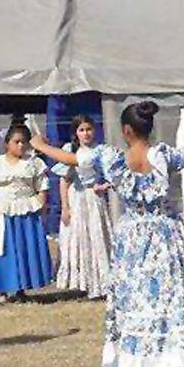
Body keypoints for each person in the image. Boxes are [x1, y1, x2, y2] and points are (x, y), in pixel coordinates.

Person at [29, 101, 184, 367]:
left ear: (125, 130)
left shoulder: (110, 158)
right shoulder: (163, 155)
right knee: (175, 299)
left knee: (138, 302)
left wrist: (39, 144)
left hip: (134, 240)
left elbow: (72, 158)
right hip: (167, 235)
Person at [0, 124, 53, 304]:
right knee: (3, 250)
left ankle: (21, 287)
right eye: (16, 142)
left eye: (24, 142)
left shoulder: (33, 163)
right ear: (7, 144)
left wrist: (42, 209)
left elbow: (42, 187)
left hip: (27, 213)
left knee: (24, 249)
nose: (21, 146)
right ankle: (2, 290)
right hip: (4, 213)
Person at [52, 114, 113, 300]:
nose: (86, 133)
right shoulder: (70, 151)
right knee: (78, 237)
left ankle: (100, 282)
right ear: (76, 133)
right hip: (77, 198)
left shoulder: (101, 150)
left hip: (94, 199)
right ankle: (80, 282)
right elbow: (65, 181)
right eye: (81, 130)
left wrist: (102, 186)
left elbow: (107, 176)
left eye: (88, 129)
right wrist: (65, 207)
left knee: (96, 236)